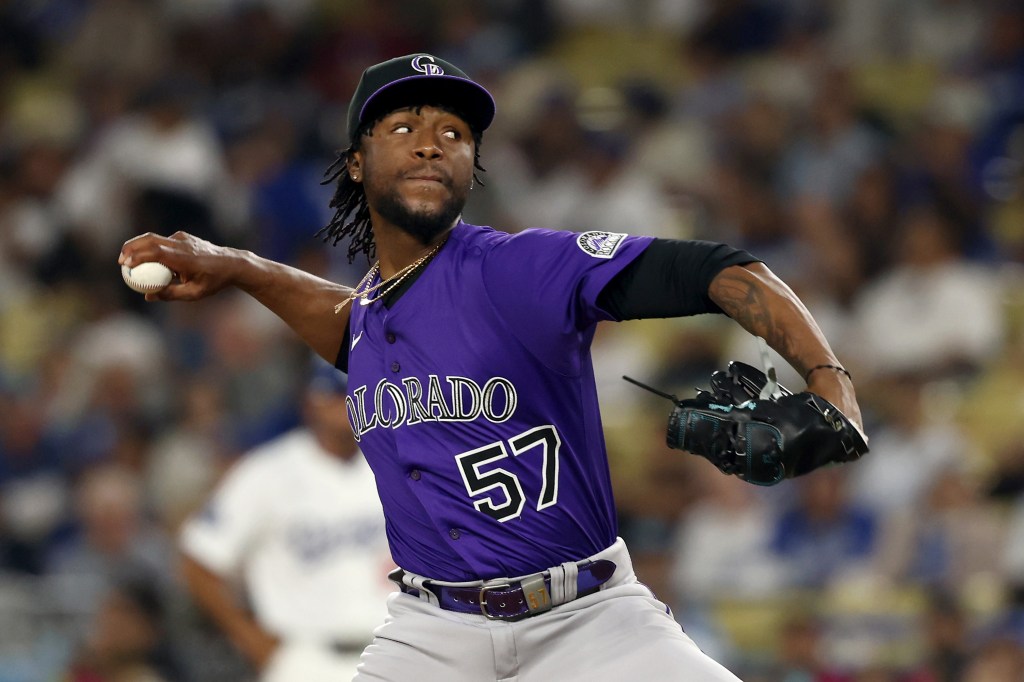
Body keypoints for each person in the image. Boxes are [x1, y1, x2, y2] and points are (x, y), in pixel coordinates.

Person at [119, 53, 865, 682]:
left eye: (453, 132)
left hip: (590, 622)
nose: (429, 144)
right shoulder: (377, 315)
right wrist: (240, 265)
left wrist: (831, 383)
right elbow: (353, 325)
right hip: (429, 634)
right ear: (357, 161)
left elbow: (724, 270)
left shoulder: (519, 270)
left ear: (473, 165)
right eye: (403, 126)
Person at [178, 360, 392, 682]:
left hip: (394, 651)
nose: (344, 404)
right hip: (308, 659)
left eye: (352, 392)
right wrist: (253, 641)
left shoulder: (395, 464)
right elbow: (198, 561)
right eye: (333, 394)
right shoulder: (266, 472)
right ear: (308, 402)